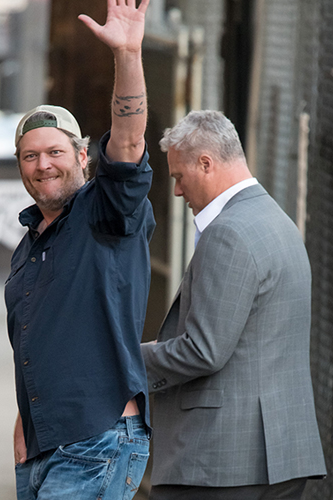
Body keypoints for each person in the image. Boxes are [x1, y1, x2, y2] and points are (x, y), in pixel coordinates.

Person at [6, 1, 155, 498]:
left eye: (55, 152)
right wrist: (27, 417)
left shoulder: (107, 211)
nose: (43, 164)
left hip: (97, 442)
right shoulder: (28, 244)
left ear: (83, 156)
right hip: (43, 446)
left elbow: (130, 144)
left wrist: (128, 55)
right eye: (30, 156)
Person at [141, 110, 326, 500]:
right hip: (282, 457)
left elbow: (203, 351)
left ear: (206, 163)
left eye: (178, 176)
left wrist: (123, 361)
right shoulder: (279, 222)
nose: (177, 191)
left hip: (222, 465)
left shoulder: (227, 232)